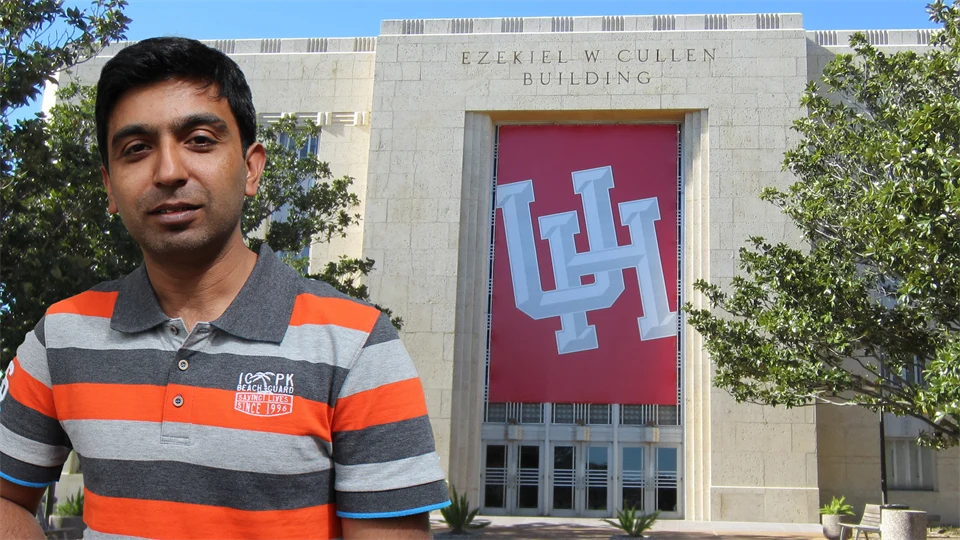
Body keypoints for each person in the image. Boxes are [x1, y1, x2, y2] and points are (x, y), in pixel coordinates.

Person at [0, 37, 449, 539]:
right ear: (109, 184)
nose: (169, 172)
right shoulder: (61, 335)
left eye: (199, 140)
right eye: (136, 149)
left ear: (252, 167)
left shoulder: (357, 344)